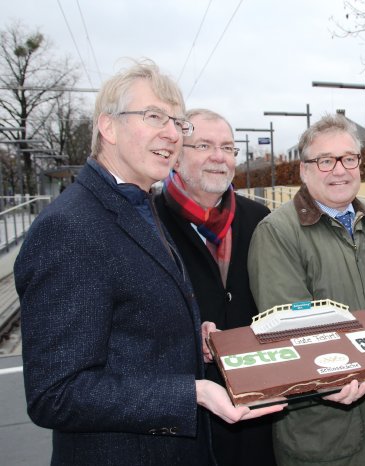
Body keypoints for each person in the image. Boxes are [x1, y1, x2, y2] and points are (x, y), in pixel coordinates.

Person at [15, 61, 282, 466]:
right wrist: (192, 392)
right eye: (154, 117)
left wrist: (194, 335)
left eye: (176, 121)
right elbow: (56, 393)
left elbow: (128, 324)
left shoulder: (136, 204)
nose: (171, 133)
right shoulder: (70, 228)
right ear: (108, 127)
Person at [247, 114, 365, 466]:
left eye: (349, 158)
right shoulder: (277, 233)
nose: (339, 170)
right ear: (304, 170)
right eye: (325, 161)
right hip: (328, 434)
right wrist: (335, 373)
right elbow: (288, 327)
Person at [155, 108, 276, 466]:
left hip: (257, 403)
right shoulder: (149, 221)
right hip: (184, 413)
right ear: (176, 156)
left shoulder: (259, 219)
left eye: (228, 147)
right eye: (203, 145)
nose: (218, 157)